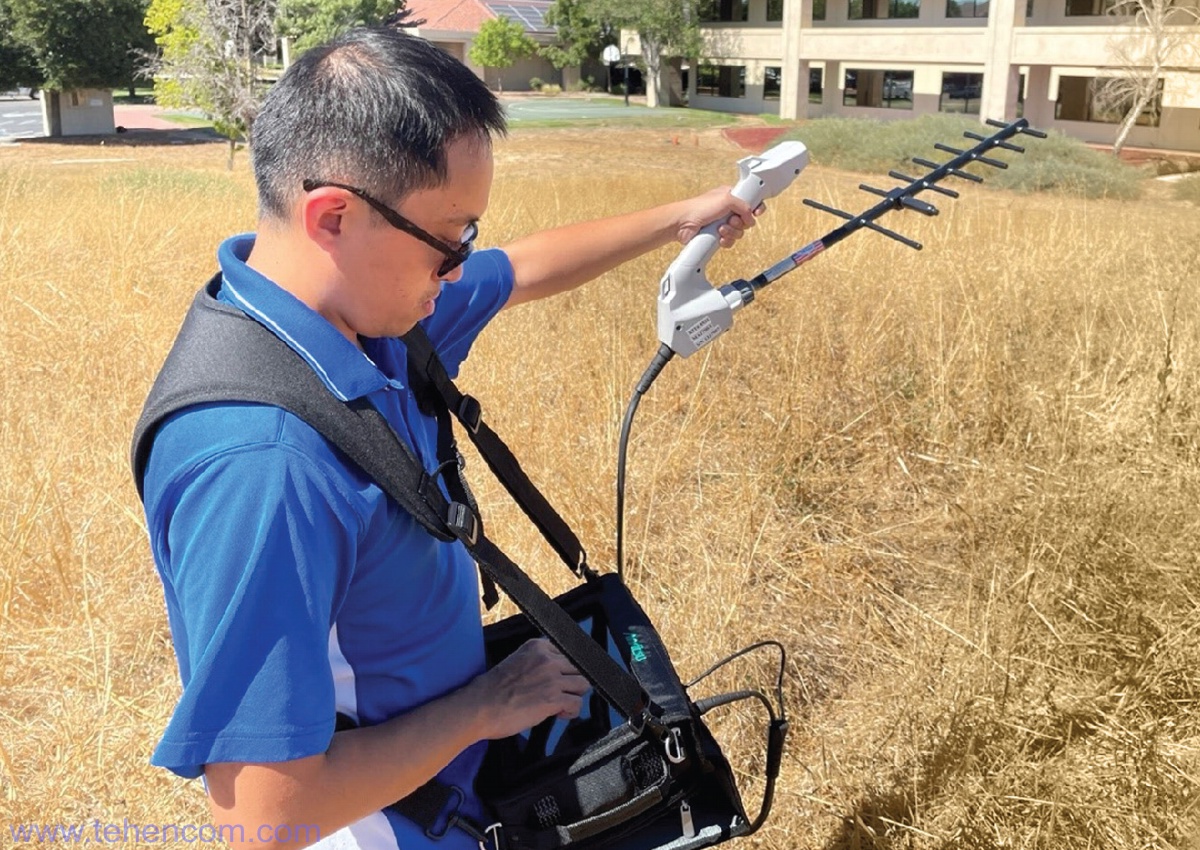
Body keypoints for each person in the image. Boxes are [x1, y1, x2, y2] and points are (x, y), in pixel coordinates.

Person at [136, 25, 760, 850]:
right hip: (390, 828)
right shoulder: (263, 465)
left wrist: (683, 217)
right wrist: (484, 709)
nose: (459, 269)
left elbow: (523, 268)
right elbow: (264, 818)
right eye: (448, 240)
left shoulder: (365, 315)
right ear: (335, 215)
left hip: (452, 777)